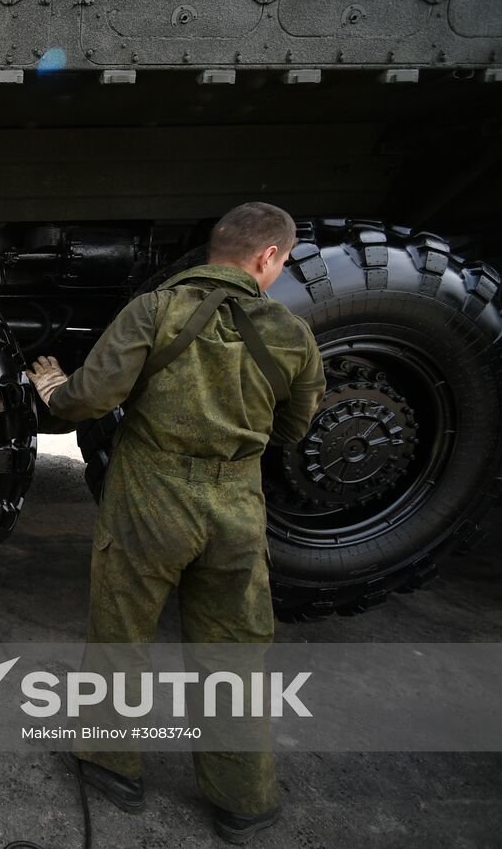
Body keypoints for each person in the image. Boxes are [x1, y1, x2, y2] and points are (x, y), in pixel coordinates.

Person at [27, 202, 326, 845]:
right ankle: (241, 803)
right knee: (235, 655)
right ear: (266, 257)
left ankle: (112, 769)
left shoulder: (154, 310)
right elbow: (295, 429)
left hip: (149, 498)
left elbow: (91, 399)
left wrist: (53, 388)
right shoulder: (291, 332)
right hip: (236, 509)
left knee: (122, 635)